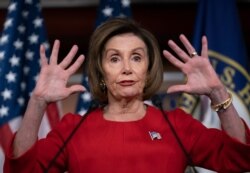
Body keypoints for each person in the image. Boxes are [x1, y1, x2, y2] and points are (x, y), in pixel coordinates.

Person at [4, 18, 250, 173]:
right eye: (114, 58)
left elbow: (239, 159)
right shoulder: (73, 129)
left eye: (136, 57)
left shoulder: (177, 125)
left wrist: (218, 93)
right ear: (100, 71)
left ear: (148, 68)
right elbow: (22, 169)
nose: (126, 68)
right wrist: (37, 102)